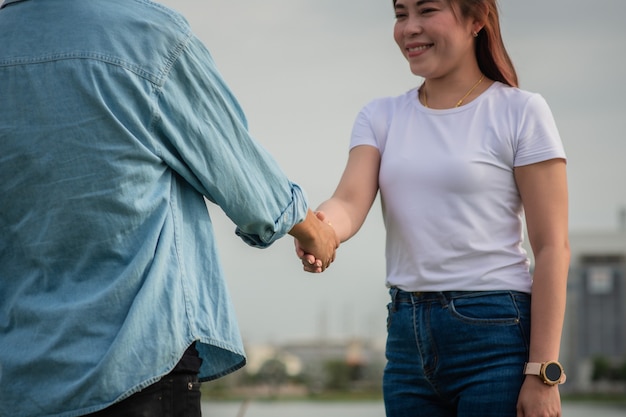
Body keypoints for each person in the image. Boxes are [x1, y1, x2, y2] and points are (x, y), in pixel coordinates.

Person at [0, 0, 338, 416]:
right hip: (138, 365)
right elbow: (247, 182)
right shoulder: (148, 38)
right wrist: (313, 231)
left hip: (17, 381)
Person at [296, 0, 569, 416]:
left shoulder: (520, 110)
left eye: (426, 11)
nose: (409, 28)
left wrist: (541, 372)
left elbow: (552, 247)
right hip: (407, 338)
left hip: (494, 335)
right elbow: (349, 201)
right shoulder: (381, 115)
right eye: (400, 14)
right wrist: (319, 230)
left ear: (477, 19)